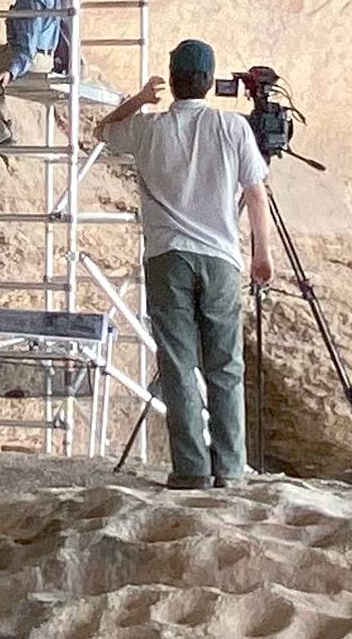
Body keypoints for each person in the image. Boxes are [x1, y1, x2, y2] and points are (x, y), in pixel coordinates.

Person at [95, 40, 272, 486]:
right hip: (221, 259)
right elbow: (255, 191)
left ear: (171, 82)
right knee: (225, 364)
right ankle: (230, 468)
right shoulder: (233, 128)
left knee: (178, 363)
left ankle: (191, 469)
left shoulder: (149, 129)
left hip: (167, 256)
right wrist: (261, 253)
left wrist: (136, 100)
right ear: (211, 83)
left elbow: (103, 130)